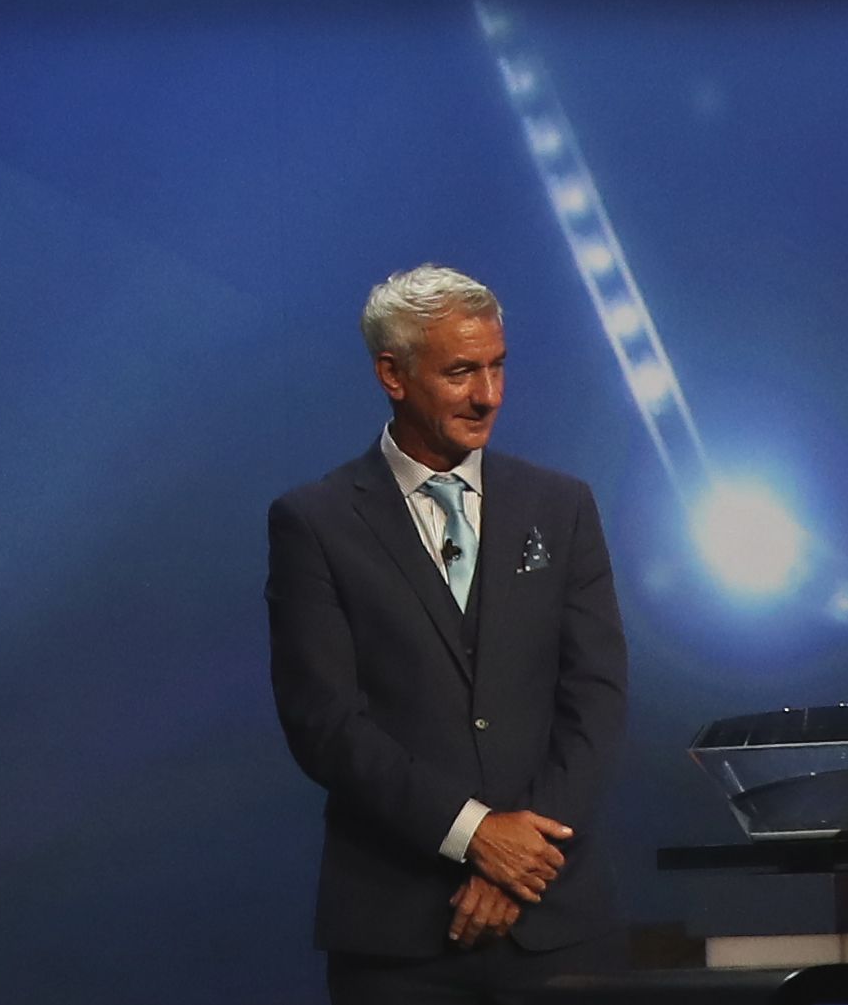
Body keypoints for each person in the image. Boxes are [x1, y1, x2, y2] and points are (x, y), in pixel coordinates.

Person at [267, 263, 628, 998]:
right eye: (461, 371)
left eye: (497, 366)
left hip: (554, 923)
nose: (488, 394)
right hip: (400, 936)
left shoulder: (561, 506)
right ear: (392, 374)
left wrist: (523, 853)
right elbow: (325, 723)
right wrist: (474, 835)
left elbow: (596, 695)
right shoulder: (316, 522)